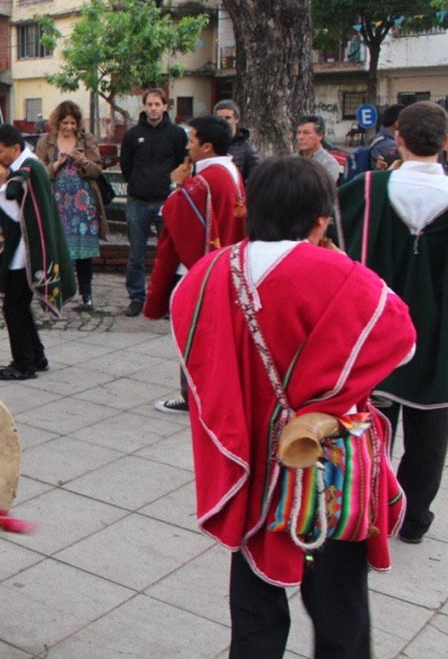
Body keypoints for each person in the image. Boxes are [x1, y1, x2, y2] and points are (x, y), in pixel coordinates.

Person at [171, 156, 414, 658]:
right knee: (340, 607)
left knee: (254, 608)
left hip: (251, 461)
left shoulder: (210, 272)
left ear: (250, 209)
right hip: (326, 466)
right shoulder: (340, 274)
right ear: (321, 219)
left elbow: (192, 336)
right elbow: (400, 337)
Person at [337, 100, 448, 545]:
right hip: (439, 339)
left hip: (376, 333)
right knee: (430, 435)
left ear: (397, 136)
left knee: (374, 426)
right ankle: (415, 520)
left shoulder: (365, 190)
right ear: (445, 143)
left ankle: (370, 510)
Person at [144, 115, 247, 414]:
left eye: (191, 140)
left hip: (197, 269)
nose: (187, 145)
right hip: (225, 263)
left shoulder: (203, 180)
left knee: (191, 333)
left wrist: (177, 185)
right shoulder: (231, 171)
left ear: (207, 146)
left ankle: (191, 397)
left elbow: (175, 216)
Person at [0, 124, 76, 380]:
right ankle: (36, 356)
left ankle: (23, 364)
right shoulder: (26, 167)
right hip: (22, 249)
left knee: (14, 307)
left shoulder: (30, 169)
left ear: (15, 148)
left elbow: (16, 205)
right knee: (20, 306)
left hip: (27, 251)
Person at [119, 88, 188, 316]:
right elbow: (126, 167)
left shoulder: (177, 134)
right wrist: (139, 183)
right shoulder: (132, 135)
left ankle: (166, 298)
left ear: (166, 106)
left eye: (157, 104)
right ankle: (136, 298)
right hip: (137, 202)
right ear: (144, 106)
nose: (153, 108)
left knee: (168, 254)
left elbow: (183, 165)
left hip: (166, 202)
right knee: (135, 255)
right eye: (149, 104)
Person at [35, 100, 107, 310]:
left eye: (73, 123)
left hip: (83, 204)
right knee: (56, 249)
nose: (69, 127)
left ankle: (86, 295)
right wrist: (56, 164)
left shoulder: (87, 140)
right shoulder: (45, 142)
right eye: (65, 123)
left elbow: (97, 169)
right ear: (57, 122)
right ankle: (54, 293)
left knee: (83, 252)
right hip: (56, 203)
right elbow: (38, 172)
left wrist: (83, 160)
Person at [214, 99, 260, 181]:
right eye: (220, 118)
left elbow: (255, 181)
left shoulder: (247, 150)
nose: (223, 122)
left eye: (227, 118)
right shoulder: (208, 146)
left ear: (236, 119)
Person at [294, 115, 341, 185]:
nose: (300, 137)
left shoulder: (329, 163)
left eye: (306, 133)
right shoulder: (292, 160)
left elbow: (324, 190)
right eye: (298, 133)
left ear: (320, 136)